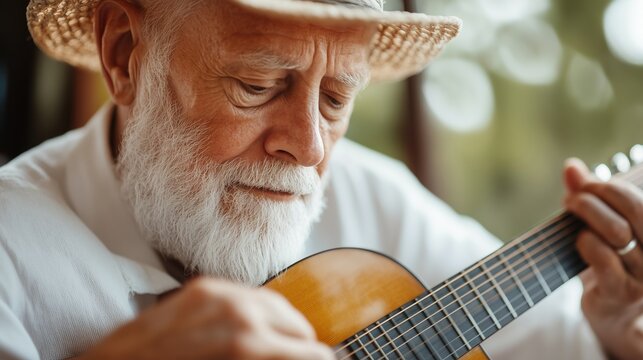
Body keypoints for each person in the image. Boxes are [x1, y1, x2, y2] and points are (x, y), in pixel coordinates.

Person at [1, 0, 641, 358]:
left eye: (336, 99)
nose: (308, 148)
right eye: (257, 84)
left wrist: (612, 329)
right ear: (123, 55)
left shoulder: (372, 198)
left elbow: (560, 343)